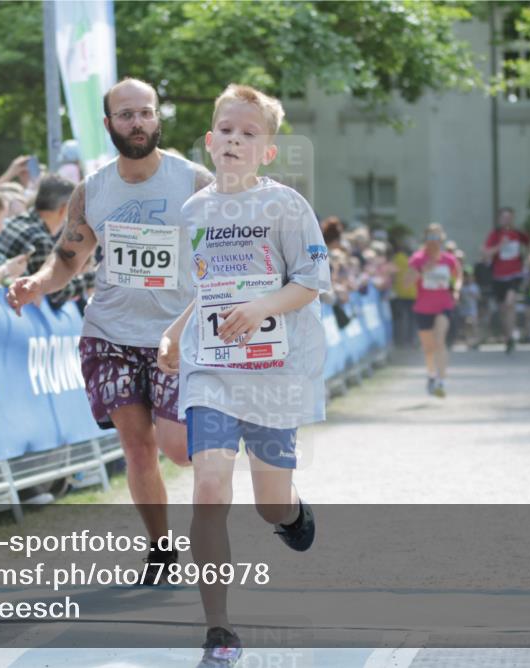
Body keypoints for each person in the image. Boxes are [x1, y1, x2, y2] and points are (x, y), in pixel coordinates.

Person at [6, 77, 214, 583]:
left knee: (178, 449)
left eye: (145, 112)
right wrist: (37, 283)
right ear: (108, 124)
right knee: (136, 446)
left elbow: (225, 253)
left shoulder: (195, 182)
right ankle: (160, 551)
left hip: (175, 335)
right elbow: (67, 259)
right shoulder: (91, 191)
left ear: (157, 117)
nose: (137, 123)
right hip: (110, 333)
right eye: (126, 115)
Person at [155, 84, 327, 666]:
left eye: (249, 133)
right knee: (208, 488)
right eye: (226, 130)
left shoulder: (286, 206)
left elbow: (311, 282)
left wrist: (261, 309)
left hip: (274, 371)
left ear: (267, 152)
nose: (234, 140)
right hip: (212, 369)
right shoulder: (193, 212)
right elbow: (206, 290)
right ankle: (219, 629)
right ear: (209, 141)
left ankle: (291, 513)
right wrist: (175, 333)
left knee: (268, 504)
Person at [0, 173, 94, 310]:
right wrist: (92, 278)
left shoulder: (11, 222)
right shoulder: (40, 240)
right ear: (64, 209)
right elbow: (56, 293)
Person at [406, 223, 462, 397]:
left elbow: (458, 277)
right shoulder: (417, 259)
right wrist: (423, 270)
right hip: (423, 308)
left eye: (436, 237)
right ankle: (431, 374)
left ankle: (441, 381)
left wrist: (456, 290)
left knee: (440, 340)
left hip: (444, 305)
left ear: (442, 239)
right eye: (430, 237)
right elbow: (406, 282)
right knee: (429, 348)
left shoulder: (449, 259)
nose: (433, 241)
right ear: (425, 239)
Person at [481, 206, 529, 353]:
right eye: (504, 217)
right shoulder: (495, 234)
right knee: (503, 309)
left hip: (515, 275)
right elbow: (485, 253)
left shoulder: (518, 234)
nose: (507, 220)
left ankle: (512, 335)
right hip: (499, 276)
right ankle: (508, 338)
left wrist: (527, 262)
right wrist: (500, 245)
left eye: (509, 217)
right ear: (500, 219)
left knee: (510, 304)